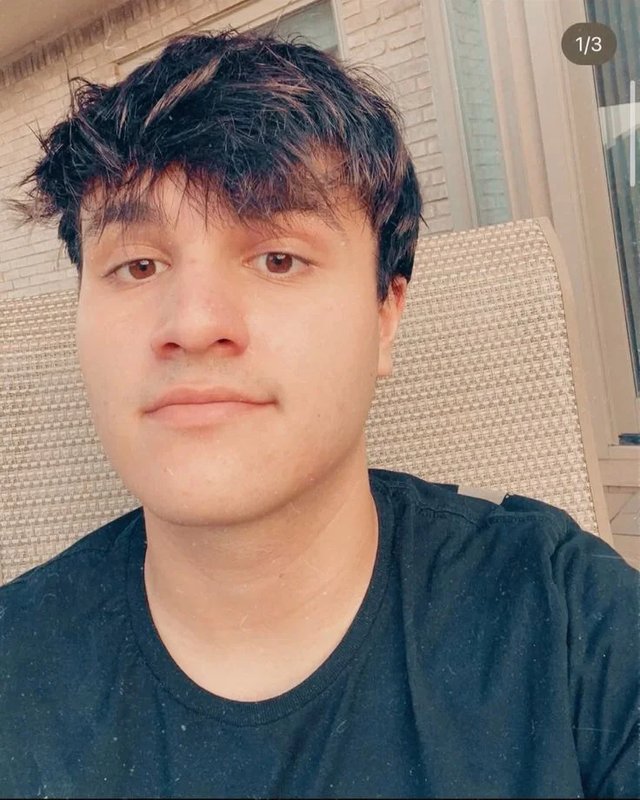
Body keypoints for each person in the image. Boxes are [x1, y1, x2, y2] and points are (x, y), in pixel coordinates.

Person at [1, 28, 638, 800]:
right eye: (137, 265)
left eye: (278, 259)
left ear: (385, 316)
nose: (193, 323)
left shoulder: (568, 622)